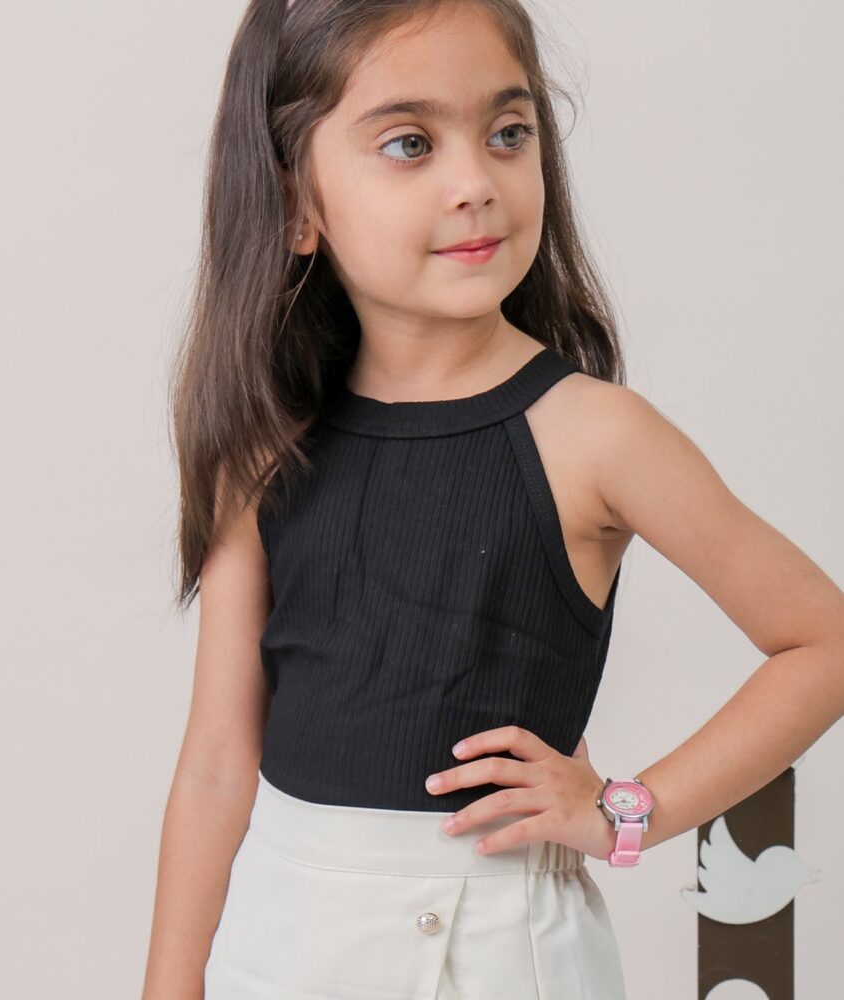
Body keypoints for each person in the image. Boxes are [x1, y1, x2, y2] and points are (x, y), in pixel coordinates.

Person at [141, 1, 844, 998]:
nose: (475, 182)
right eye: (409, 143)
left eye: (508, 133)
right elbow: (217, 763)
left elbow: (822, 641)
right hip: (278, 941)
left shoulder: (595, 435)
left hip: (500, 952)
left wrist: (626, 810)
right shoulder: (262, 445)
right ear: (297, 204)